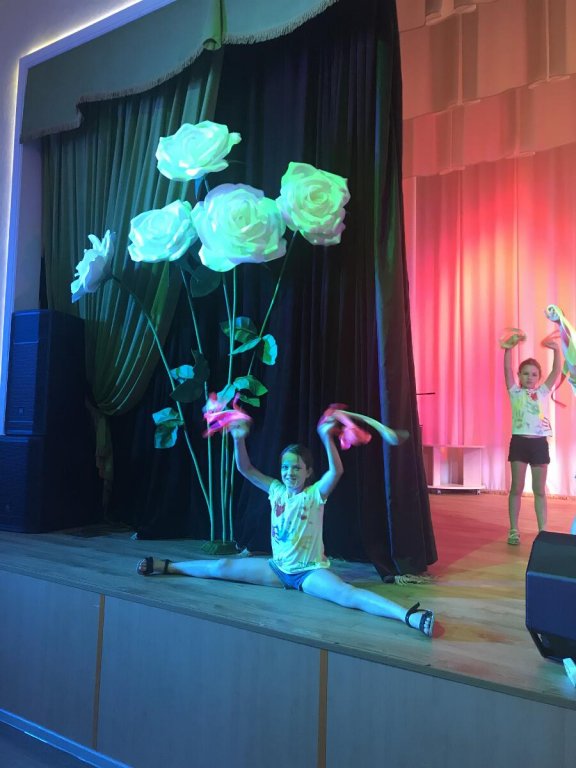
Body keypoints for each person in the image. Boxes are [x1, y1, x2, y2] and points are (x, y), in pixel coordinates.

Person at [137, 416, 434, 637]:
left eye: (296, 467)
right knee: (222, 567)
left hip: (309, 573)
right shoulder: (276, 491)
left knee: (347, 595)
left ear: (308, 472)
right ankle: (169, 567)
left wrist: (326, 437)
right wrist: (239, 438)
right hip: (277, 569)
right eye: (285, 467)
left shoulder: (314, 495)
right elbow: (245, 469)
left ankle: (409, 616)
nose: (289, 472)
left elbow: (337, 470)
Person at [503, 339, 561, 544]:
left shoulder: (542, 392)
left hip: (538, 445)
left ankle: (542, 530)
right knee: (516, 488)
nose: (530, 377)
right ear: (519, 376)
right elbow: (507, 369)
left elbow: (556, 371)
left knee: (539, 490)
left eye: (534, 374)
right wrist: (508, 349)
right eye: (526, 373)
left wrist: (556, 350)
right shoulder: (515, 392)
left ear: (539, 377)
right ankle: (513, 529)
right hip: (519, 444)